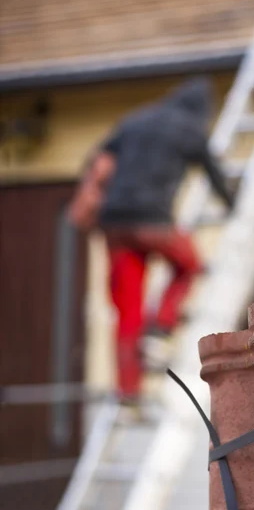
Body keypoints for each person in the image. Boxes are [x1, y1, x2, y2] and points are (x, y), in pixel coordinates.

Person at [67, 78, 233, 402]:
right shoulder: (189, 129)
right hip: (153, 222)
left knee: (128, 309)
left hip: (114, 225)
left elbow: (97, 163)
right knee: (190, 265)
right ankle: (163, 322)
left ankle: (127, 389)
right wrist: (232, 203)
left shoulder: (134, 121)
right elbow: (214, 173)